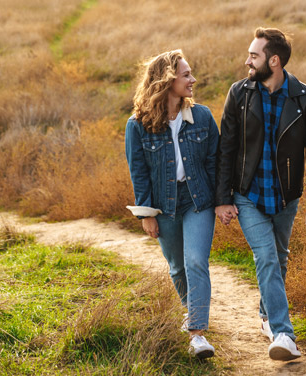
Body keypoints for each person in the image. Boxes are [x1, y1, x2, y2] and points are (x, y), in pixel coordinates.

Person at [215, 27, 306, 361]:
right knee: (266, 257)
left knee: (279, 259)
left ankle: (266, 314)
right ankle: (284, 334)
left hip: (285, 197)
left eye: (254, 55)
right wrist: (223, 198)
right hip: (247, 195)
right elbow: (226, 149)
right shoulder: (239, 94)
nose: (247, 61)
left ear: (274, 61)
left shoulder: (304, 99)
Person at [125, 50, 219, 359]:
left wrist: (223, 201)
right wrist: (146, 214)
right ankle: (189, 309)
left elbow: (215, 163)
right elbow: (139, 173)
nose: (193, 80)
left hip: (198, 200)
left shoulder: (202, 116)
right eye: (186, 75)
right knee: (177, 267)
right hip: (163, 206)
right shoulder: (137, 125)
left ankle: (197, 334)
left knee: (195, 262)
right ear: (167, 81)